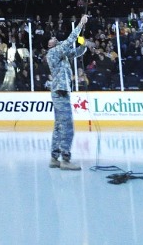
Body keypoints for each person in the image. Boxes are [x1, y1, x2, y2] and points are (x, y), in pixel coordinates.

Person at [47, 14, 88, 170]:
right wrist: (80, 23)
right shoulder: (53, 53)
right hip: (60, 91)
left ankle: (54, 157)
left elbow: (78, 51)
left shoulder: (62, 54)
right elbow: (69, 41)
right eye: (52, 39)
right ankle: (65, 159)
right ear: (50, 45)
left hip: (61, 91)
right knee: (67, 125)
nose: (54, 39)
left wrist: (83, 41)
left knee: (59, 125)